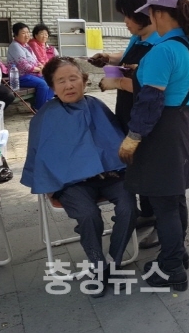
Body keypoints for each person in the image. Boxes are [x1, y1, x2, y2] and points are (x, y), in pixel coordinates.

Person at [21, 57, 136, 298]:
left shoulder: (97, 106)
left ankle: (113, 263)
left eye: (73, 78)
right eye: (61, 81)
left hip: (109, 175)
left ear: (83, 81)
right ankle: (98, 266)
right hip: (71, 183)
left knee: (128, 207)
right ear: (52, 87)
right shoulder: (45, 117)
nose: (69, 85)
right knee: (87, 214)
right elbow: (40, 160)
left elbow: (114, 140)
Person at [118, 0, 189, 292]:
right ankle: (177, 254)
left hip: (162, 134)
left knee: (165, 205)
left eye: (150, 12)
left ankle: (171, 270)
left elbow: (150, 102)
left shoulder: (162, 51)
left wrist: (133, 137)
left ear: (159, 13)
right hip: (183, 125)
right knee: (175, 198)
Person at [90, 0, 159, 249]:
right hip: (129, 112)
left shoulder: (159, 45)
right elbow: (126, 56)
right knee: (139, 168)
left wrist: (118, 82)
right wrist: (108, 57)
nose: (125, 22)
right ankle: (148, 212)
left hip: (147, 116)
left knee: (153, 172)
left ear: (143, 14)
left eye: (128, 15)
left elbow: (150, 88)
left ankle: (164, 226)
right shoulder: (139, 37)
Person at [7, 22, 54, 110]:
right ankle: (39, 108)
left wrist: (41, 66)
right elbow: (24, 66)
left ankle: (46, 103)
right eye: (23, 33)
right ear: (15, 35)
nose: (27, 35)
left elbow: (35, 60)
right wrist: (38, 69)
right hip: (20, 77)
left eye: (28, 32)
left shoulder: (26, 45)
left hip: (32, 75)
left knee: (52, 79)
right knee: (43, 84)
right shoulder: (15, 46)